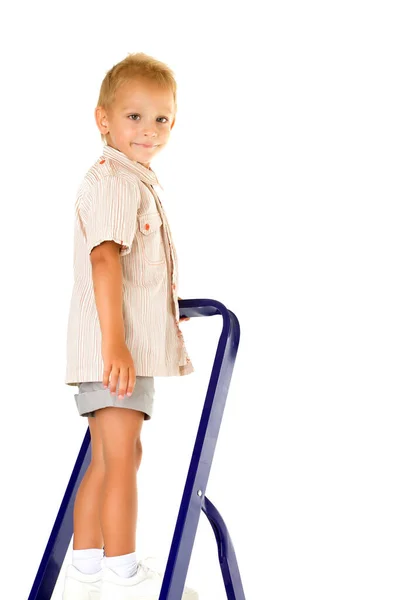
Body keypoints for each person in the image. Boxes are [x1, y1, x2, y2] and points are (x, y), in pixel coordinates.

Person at [62, 52, 198, 600]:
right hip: (114, 349)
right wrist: (115, 342)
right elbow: (104, 260)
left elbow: (137, 270)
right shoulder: (115, 181)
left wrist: (166, 308)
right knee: (120, 459)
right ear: (104, 120)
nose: (149, 130)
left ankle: (87, 570)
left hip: (123, 346)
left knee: (117, 455)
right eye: (134, 117)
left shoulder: (136, 181)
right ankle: (121, 572)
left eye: (161, 118)